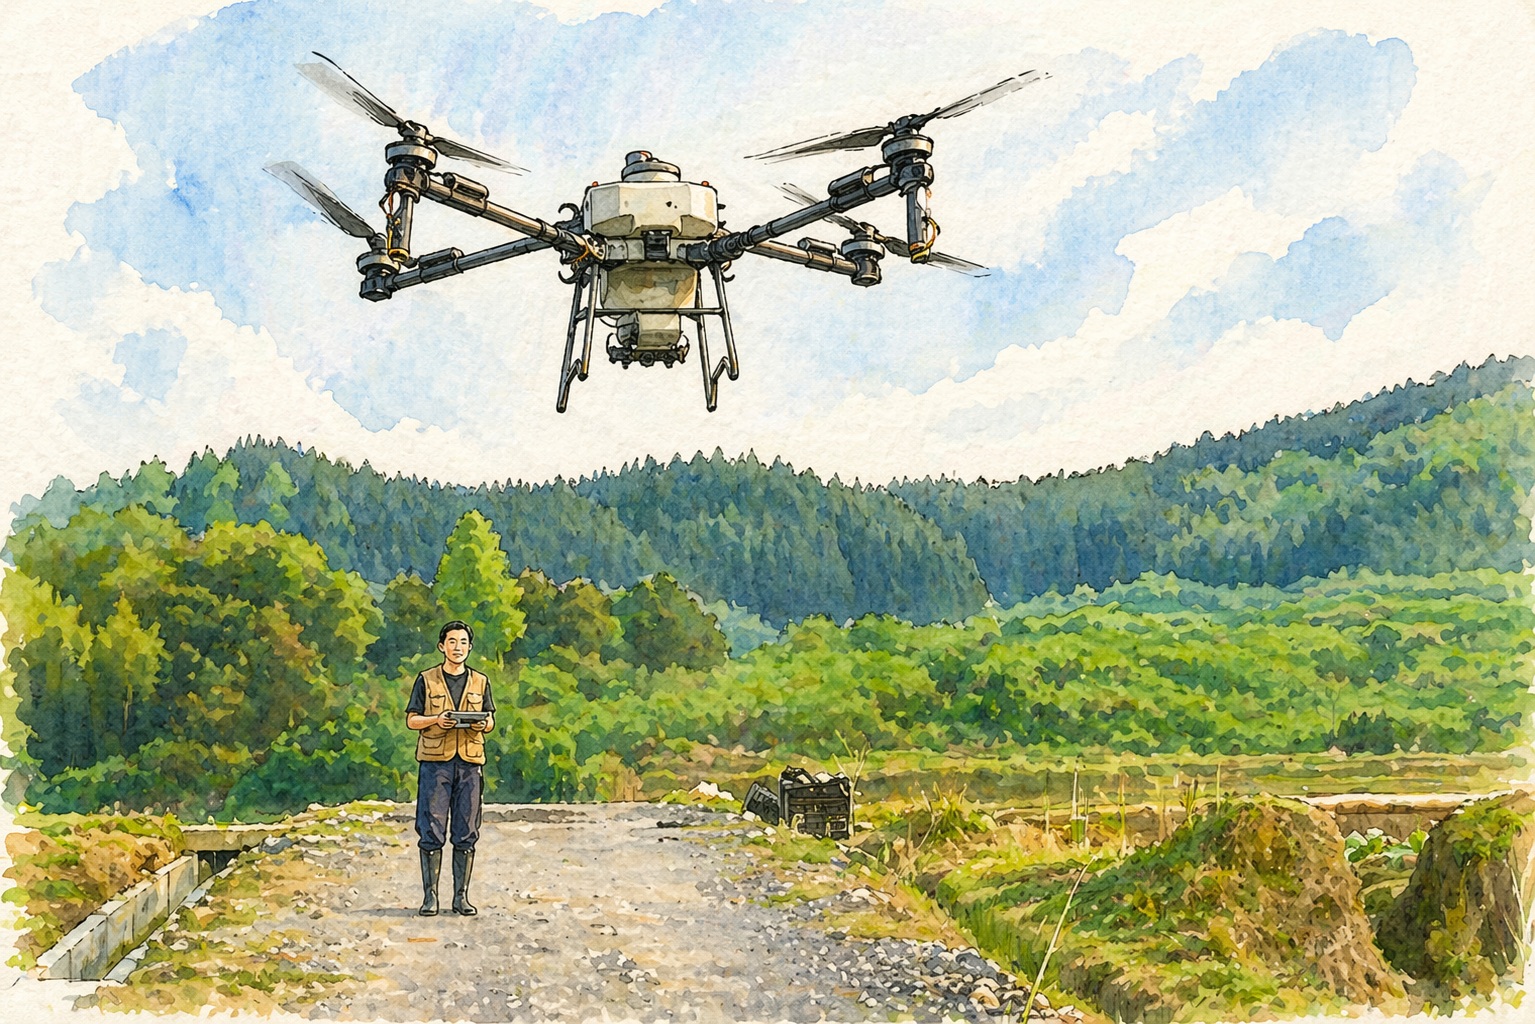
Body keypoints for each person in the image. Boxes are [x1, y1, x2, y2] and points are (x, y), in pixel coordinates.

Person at [405, 620, 495, 916]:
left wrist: (483, 724)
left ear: (470, 647)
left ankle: (461, 897)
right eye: (452, 642)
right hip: (435, 764)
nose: (458, 647)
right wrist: (436, 720)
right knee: (431, 828)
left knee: (467, 829)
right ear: (442, 646)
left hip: (470, 764)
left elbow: (491, 720)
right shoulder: (426, 679)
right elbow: (411, 720)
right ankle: (430, 898)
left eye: (463, 642)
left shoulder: (481, 681)